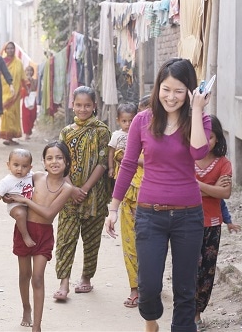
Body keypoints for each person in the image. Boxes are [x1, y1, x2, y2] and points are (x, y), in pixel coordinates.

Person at [105, 58, 212, 332]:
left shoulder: (201, 120)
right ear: (158, 88)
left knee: (185, 288)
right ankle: (151, 320)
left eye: (179, 91)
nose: (171, 97)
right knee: (149, 286)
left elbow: (199, 154)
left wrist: (197, 111)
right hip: (150, 215)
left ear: (190, 91)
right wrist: (113, 208)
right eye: (166, 89)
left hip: (188, 217)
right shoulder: (143, 119)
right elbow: (127, 164)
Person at [4, 141, 73, 332]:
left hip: (43, 234)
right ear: (43, 162)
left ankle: (37, 325)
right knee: (24, 274)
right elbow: (13, 183)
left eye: (59, 158)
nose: (54, 162)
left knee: (37, 277)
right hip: (24, 229)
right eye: (49, 158)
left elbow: (49, 214)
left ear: (66, 162)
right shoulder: (35, 177)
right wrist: (6, 196)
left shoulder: (66, 188)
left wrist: (25, 200)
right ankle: (26, 308)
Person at [53, 86, 112, 301]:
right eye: (78, 105)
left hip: (94, 195)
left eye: (87, 105)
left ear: (95, 106)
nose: (83, 109)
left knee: (91, 240)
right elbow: (59, 162)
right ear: (73, 105)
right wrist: (71, 188)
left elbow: (103, 163)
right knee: (65, 239)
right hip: (68, 196)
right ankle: (64, 282)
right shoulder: (66, 132)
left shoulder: (102, 131)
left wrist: (84, 189)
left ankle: (86, 277)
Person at [194, 115, 241, 331]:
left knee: (206, 271)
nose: (205, 141)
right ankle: (184, 311)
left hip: (212, 224)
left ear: (217, 138)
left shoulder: (223, 163)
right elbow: (182, 187)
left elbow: (226, 193)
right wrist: (211, 188)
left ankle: (196, 313)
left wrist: (195, 184)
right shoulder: (185, 158)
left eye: (210, 137)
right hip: (186, 222)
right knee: (188, 268)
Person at [107, 95, 150, 309]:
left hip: (156, 200)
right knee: (130, 243)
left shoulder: (165, 139)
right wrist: (113, 208)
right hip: (129, 197)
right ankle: (135, 288)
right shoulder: (126, 139)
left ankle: (150, 287)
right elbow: (121, 163)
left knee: (153, 247)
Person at [0, 148, 36, 248]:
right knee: (20, 214)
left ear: (30, 167)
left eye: (24, 166)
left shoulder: (32, 176)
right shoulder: (6, 181)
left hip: (29, 203)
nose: (20, 169)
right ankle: (25, 236)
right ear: (8, 165)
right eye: (16, 165)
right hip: (15, 205)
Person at [0, 41, 26, 145]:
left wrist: (27, 89)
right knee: (5, 113)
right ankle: (6, 136)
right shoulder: (1, 62)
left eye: (12, 48)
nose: (10, 50)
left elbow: (23, 78)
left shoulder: (18, 62)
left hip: (15, 93)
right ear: (5, 50)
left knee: (14, 115)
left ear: (14, 50)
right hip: (3, 92)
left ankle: (11, 137)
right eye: (8, 48)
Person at [107, 103, 137, 180]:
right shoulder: (116, 135)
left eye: (131, 120)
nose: (128, 124)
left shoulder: (138, 134)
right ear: (118, 121)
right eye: (124, 121)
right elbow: (111, 152)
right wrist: (111, 168)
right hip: (120, 169)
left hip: (136, 170)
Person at [21, 65, 38, 140]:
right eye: (27, 70)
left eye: (31, 70)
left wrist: (31, 80)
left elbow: (34, 88)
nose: (29, 72)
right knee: (26, 116)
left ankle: (29, 130)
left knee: (33, 116)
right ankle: (26, 133)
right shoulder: (23, 80)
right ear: (25, 72)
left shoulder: (35, 80)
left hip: (33, 99)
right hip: (26, 99)